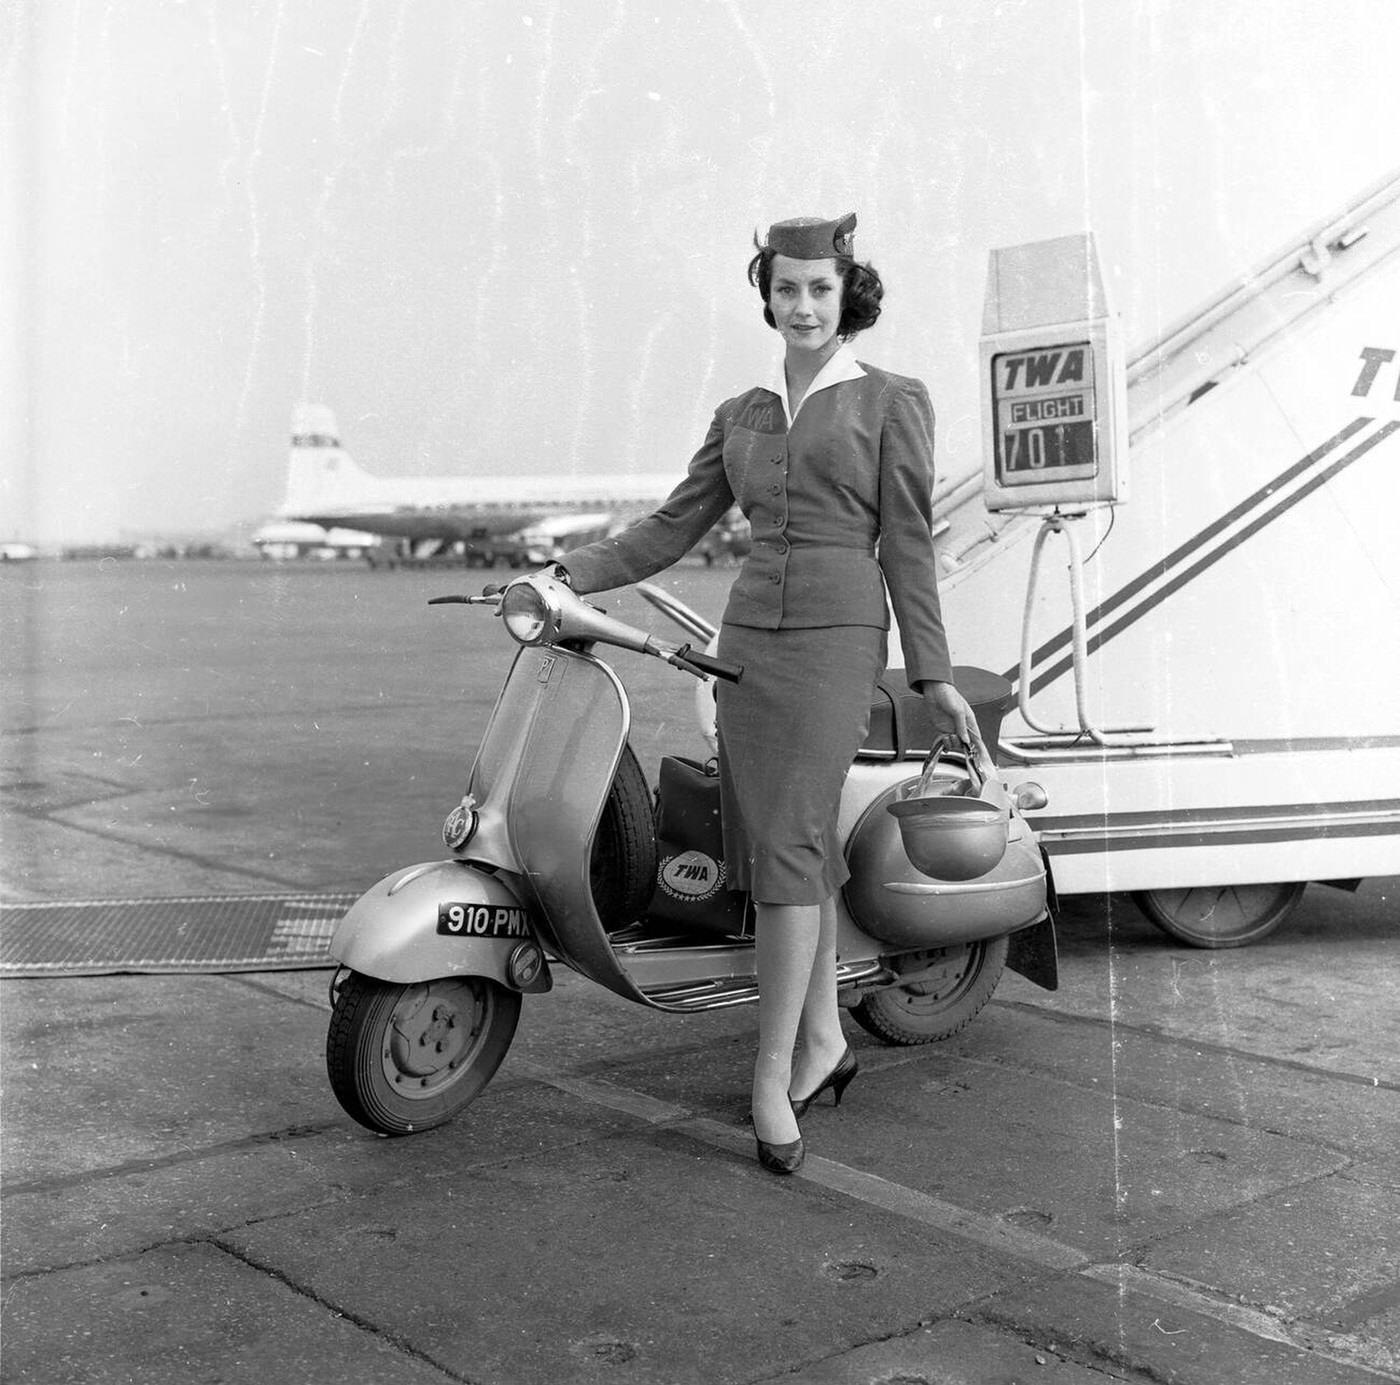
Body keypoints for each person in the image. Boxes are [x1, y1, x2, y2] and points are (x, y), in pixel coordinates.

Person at [550, 212, 980, 1174]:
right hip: (746, 643)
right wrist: (566, 573)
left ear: (847, 293)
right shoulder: (740, 414)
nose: (802, 305)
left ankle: (771, 1071)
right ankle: (825, 1041)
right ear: (768, 295)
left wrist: (934, 673)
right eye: (786, 288)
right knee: (781, 846)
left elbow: (908, 542)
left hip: (835, 641)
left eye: (820, 288)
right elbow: (670, 527)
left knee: (786, 847)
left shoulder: (891, 399)